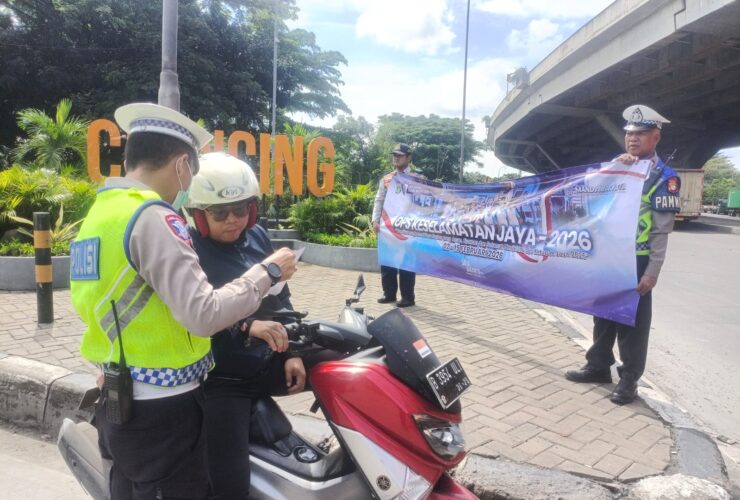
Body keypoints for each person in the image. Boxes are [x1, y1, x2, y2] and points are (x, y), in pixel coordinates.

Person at [69, 103, 297, 500]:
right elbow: (203, 314)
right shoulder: (153, 216)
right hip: (162, 409)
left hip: (118, 395)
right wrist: (269, 272)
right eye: (191, 171)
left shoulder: (101, 213)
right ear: (181, 165)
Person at [184, 152, 306, 499]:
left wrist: (293, 351)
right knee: (230, 486)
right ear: (198, 215)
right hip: (223, 374)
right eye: (220, 213)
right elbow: (191, 314)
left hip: (267, 356)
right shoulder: (187, 251)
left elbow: (280, 298)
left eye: (241, 210)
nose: (234, 220)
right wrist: (246, 325)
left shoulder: (257, 236)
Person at [565, 104, 681, 405]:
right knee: (603, 314)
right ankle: (598, 366)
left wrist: (652, 271)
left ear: (655, 137)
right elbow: (588, 196)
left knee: (632, 323)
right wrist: (616, 166)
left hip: (636, 259)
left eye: (641, 133)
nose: (633, 139)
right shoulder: (616, 167)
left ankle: (629, 380)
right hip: (608, 256)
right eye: (629, 133)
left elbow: (661, 230)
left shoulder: (664, 177)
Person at [371, 143, 420, 307]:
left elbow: (423, 201)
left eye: (400, 155)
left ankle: (408, 297)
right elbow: (379, 200)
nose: (396, 158)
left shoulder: (417, 178)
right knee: (388, 261)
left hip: (408, 228)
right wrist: (375, 220)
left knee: (407, 263)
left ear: (409, 157)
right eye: (394, 155)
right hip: (387, 226)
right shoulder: (386, 179)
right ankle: (389, 294)